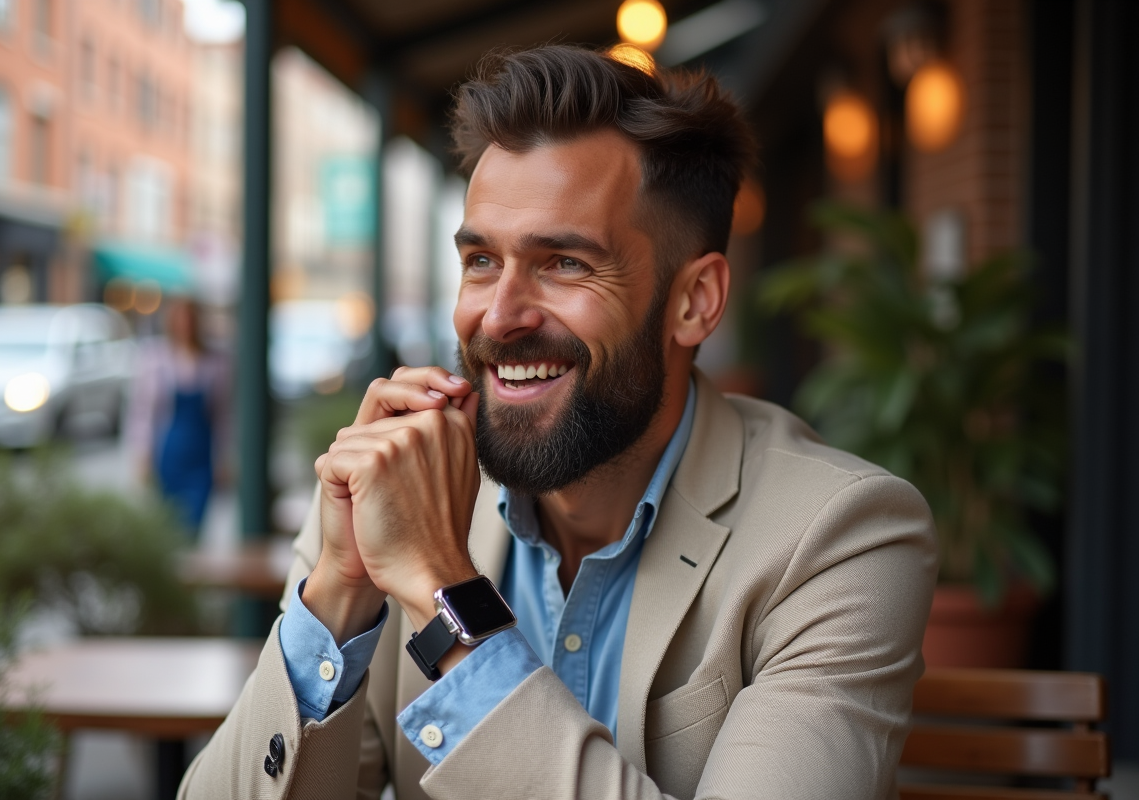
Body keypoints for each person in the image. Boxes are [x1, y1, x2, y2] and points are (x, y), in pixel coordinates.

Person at [179, 45, 936, 799]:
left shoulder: (842, 538)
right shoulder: (390, 493)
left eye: (565, 263)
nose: (499, 316)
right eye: (481, 261)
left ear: (694, 301)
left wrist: (450, 598)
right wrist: (339, 595)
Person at [125, 296, 230, 537]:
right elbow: (141, 412)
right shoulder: (155, 359)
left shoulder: (216, 363)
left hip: (201, 454)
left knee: (195, 523)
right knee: (167, 522)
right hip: (169, 453)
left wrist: (224, 458)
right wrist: (142, 454)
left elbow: (224, 416)